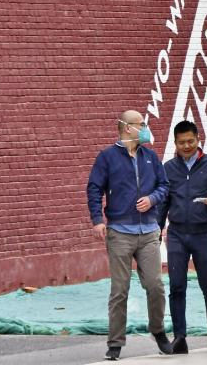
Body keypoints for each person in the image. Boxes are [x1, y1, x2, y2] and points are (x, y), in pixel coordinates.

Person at [87, 110, 172, 361]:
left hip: (149, 232)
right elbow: (94, 188)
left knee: (155, 286)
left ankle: (158, 331)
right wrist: (97, 220)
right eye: (141, 124)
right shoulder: (107, 157)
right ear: (127, 127)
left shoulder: (150, 157)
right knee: (119, 290)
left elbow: (164, 186)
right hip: (119, 233)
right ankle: (115, 343)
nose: (145, 129)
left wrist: (152, 199)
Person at [158, 120, 207, 354]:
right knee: (177, 286)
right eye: (181, 142)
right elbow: (164, 202)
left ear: (198, 139)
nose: (186, 146)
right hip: (177, 235)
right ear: (175, 143)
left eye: (190, 141)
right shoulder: (168, 168)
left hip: (203, 234)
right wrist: (157, 229)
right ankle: (180, 337)